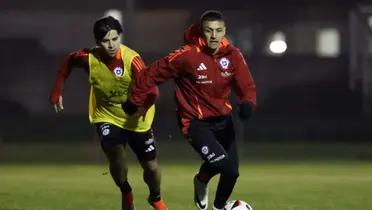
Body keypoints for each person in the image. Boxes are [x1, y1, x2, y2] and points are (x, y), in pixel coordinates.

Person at [123, 10, 257, 210]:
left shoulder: (233, 55)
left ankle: (219, 207)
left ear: (224, 31)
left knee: (232, 173)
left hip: (224, 121)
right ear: (202, 31)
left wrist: (248, 102)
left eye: (218, 31)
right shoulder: (186, 55)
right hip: (195, 122)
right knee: (219, 162)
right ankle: (201, 181)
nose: (214, 35)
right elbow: (150, 74)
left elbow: (246, 84)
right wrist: (135, 100)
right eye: (209, 31)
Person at [49, 16, 168, 210]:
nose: (111, 44)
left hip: (137, 119)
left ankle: (155, 197)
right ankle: (126, 191)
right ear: (97, 42)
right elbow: (69, 60)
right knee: (116, 156)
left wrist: (142, 109)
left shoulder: (132, 60)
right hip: (107, 116)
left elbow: (153, 91)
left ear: (120, 36)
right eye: (105, 40)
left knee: (151, 167)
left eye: (115, 38)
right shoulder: (89, 58)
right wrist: (57, 91)